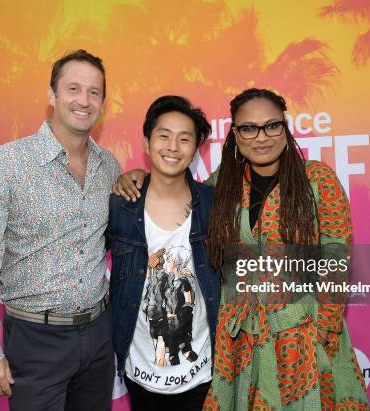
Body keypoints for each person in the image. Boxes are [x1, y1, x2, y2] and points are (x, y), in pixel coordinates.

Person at [114, 88, 370, 410]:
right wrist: (140, 178)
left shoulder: (318, 181)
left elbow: (336, 260)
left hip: (305, 342)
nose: (261, 137)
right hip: (241, 346)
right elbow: (177, 189)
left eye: (271, 126)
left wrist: (322, 332)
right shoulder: (224, 185)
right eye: (249, 128)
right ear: (235, 133)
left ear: (285, 128)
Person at [0, 49, 121, 411]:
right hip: (34, 340)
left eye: (94, 92)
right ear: (52, 95)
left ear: (103, 102)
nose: (84, 100)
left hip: (98, 334)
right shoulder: (5, 165)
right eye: (73, 88)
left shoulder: (109, 166)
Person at [106, 96, 221, 410]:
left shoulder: (214, 205)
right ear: (146, 142)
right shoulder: (120, 205)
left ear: (196, 148)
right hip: (139, 373)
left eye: (185, 139)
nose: (173, 146)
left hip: (203, 375)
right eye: (164, 136)